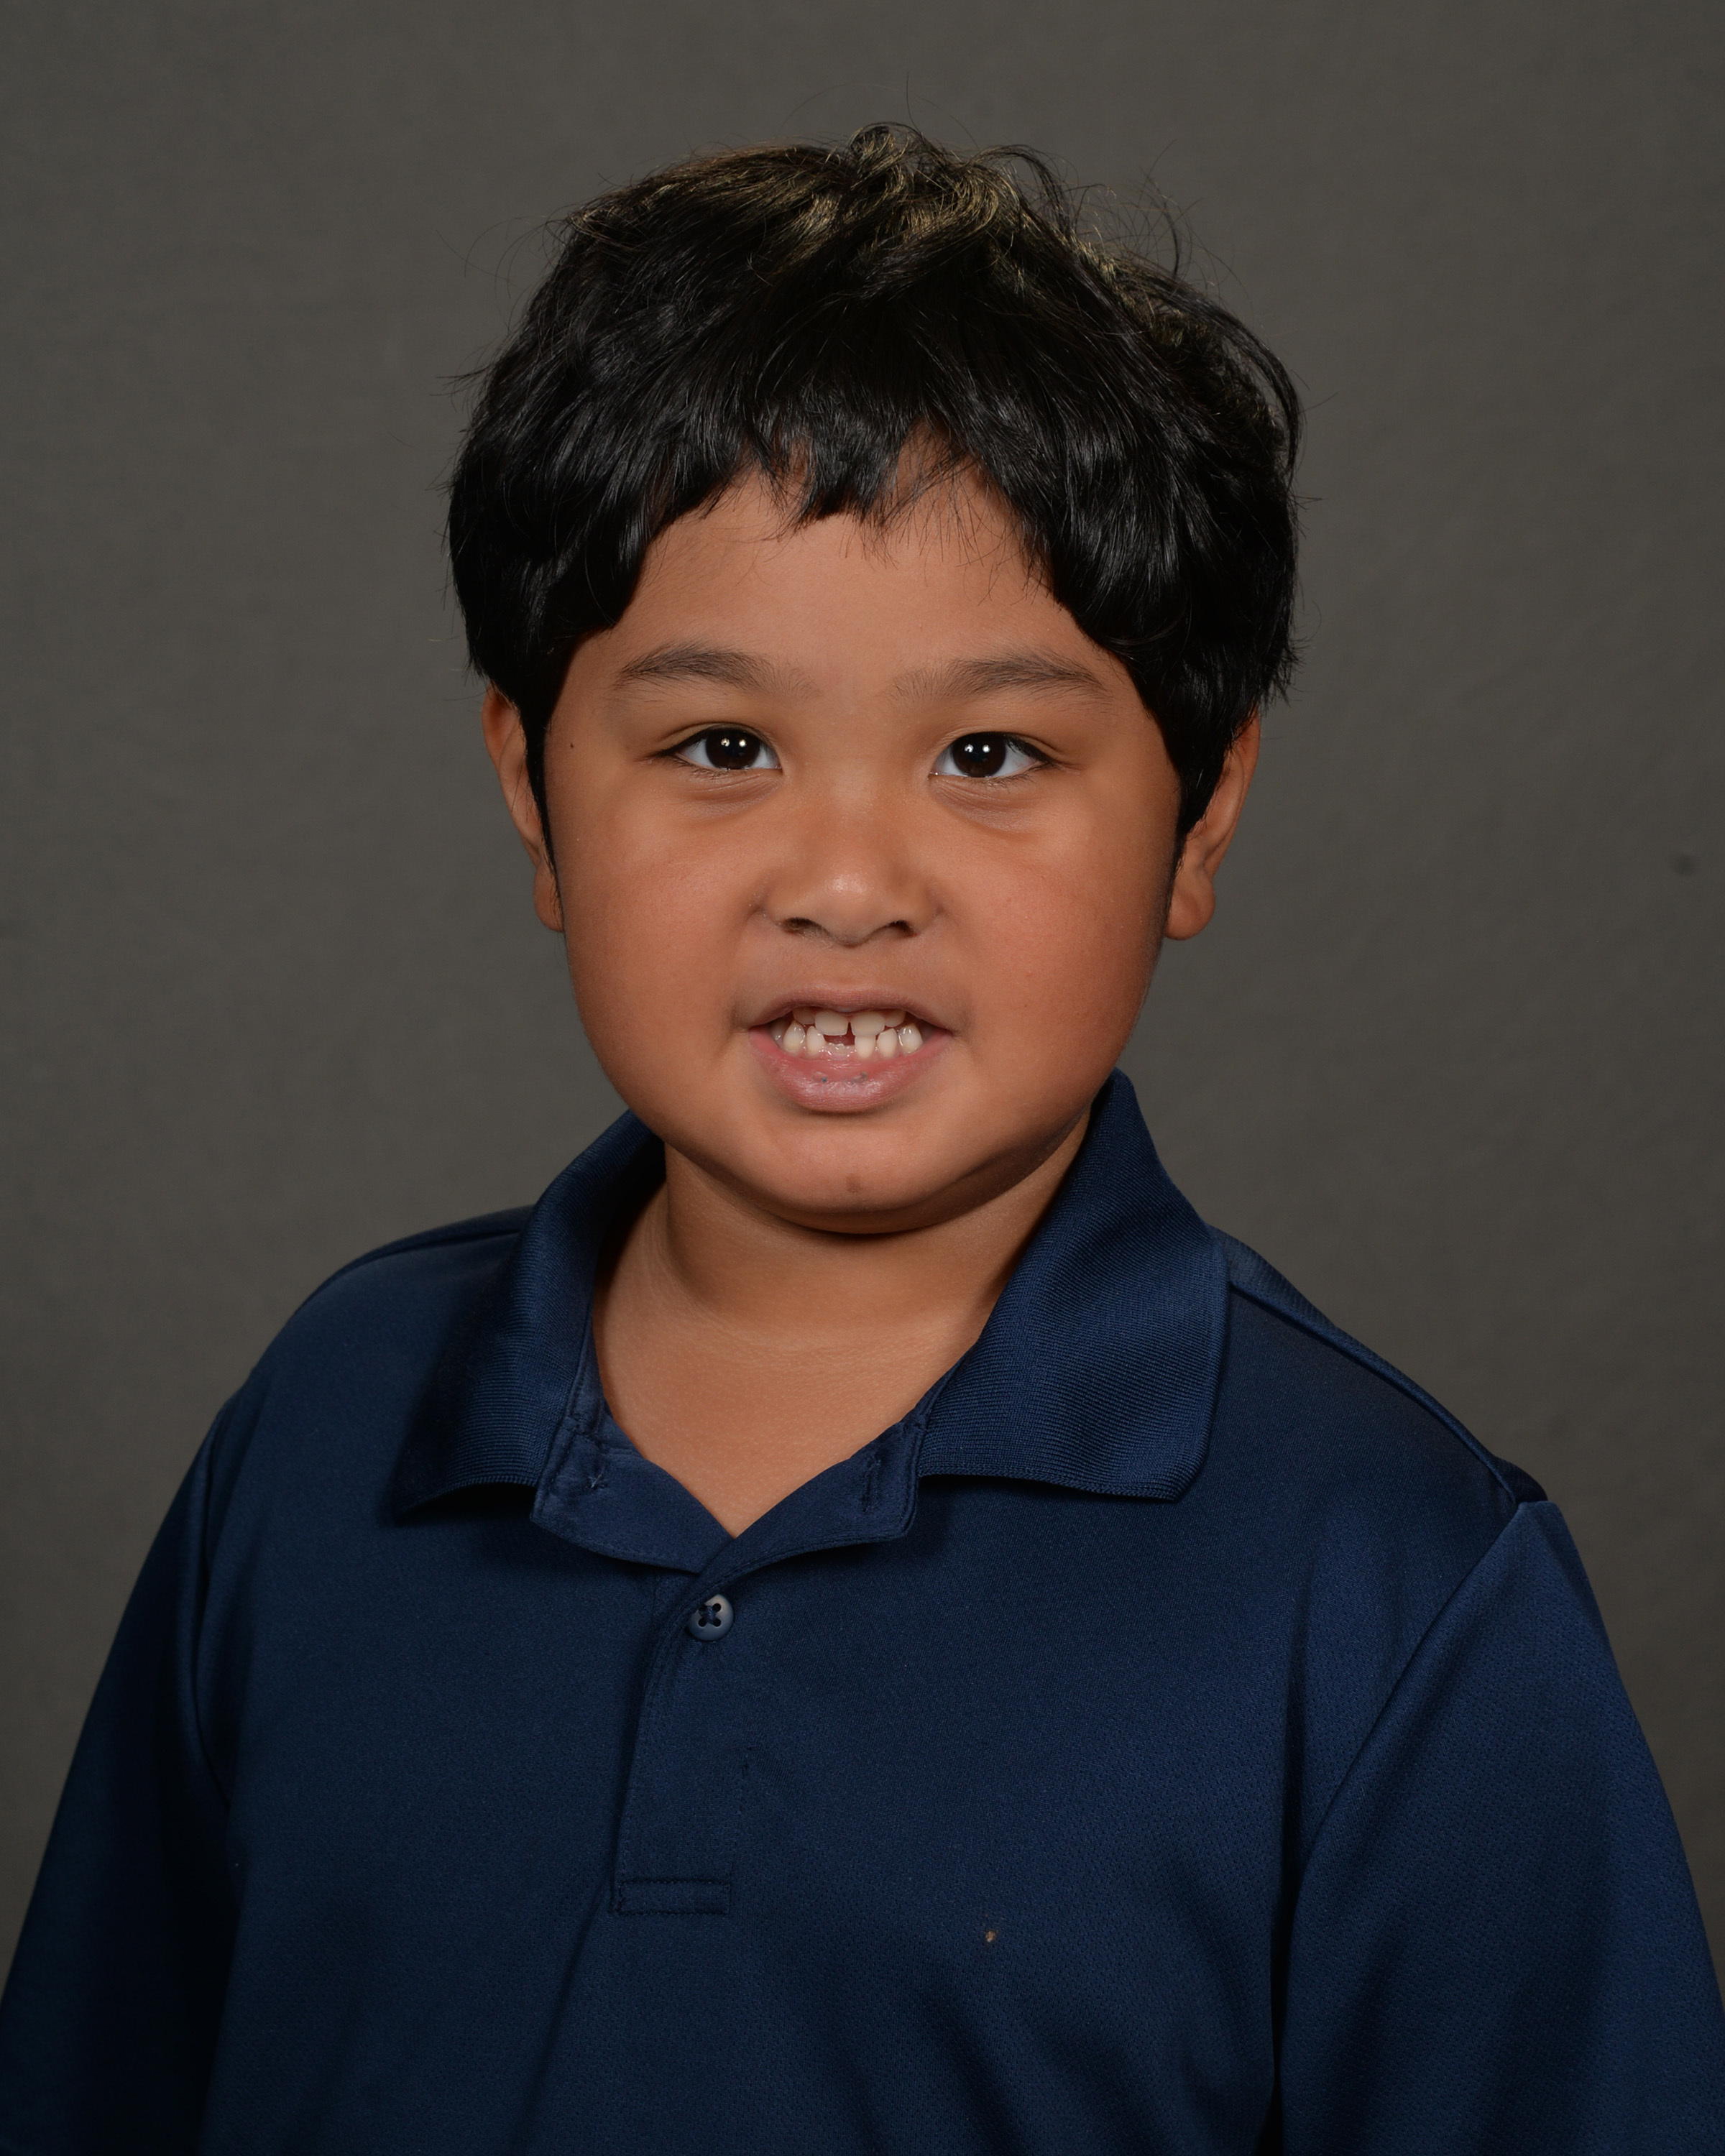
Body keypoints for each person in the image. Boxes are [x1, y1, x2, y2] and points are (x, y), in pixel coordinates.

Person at [1, 125, 1720, 2155]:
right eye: (721, 746)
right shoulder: (327, 1427)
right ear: (533, 795)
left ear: (1203, 815)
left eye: (989, 754)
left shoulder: (1397, 1580)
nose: (844, 883)